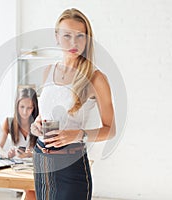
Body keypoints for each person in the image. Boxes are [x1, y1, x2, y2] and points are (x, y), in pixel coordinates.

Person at [30, 8, 116, 200]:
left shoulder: (96, 78)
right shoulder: (48, 71)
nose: (74, 42)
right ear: (56, 37)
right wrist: (35, 127)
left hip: (71, 163)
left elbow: (111, 130)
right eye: (67, 35)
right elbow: (41, 119)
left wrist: (78, 134)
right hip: (42, 161)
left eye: (80, 36)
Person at [0, 87, 39, 159]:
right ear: (17, 106)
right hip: (15, 166)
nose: (24, 112)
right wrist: (6, 154)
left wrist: (30, 154)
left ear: (34, 108)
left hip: (33, 167)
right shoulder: (9, 122)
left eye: (29, 108)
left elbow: (46, 153)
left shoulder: (39, 124)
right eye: (22, 107)